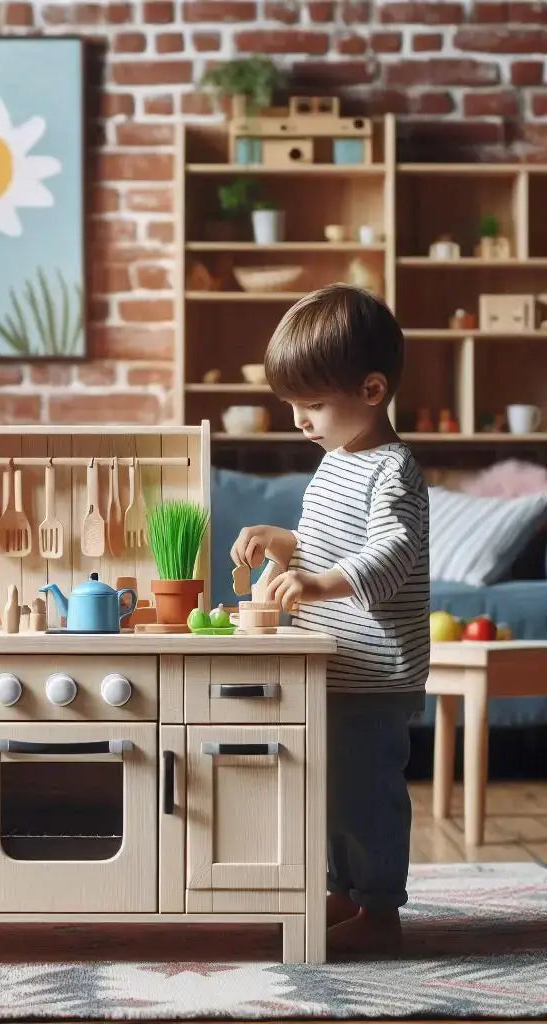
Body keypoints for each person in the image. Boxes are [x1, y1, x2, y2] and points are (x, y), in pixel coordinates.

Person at [230, 284, 430, 959]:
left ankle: (381, 909)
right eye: (293, 406)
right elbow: (323, 539)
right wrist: (283, 542)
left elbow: (391, 552)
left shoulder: (393, 469)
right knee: (330, 788)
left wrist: (316, 583)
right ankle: (343, 889)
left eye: (312, 405)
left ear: (372, 391)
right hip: (332, 661)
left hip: (374, 671)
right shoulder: (335, 463)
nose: (300, 421)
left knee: (367, 792)